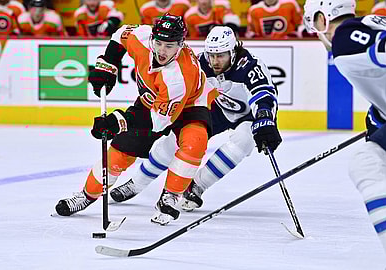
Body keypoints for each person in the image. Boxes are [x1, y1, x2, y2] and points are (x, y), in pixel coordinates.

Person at [55, 14, 218, 225]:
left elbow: (158, 123)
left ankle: (171, 195)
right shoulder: (141, 36)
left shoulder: (178, 76)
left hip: (190, 105)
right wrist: (109, 64)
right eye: (158, 43)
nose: (161, 51)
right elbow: (119, 35)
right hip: (153, 100)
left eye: (169, 46)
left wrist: (119, 121)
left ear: (181, 44)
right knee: (121, 152)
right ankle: (86, 195)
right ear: (152, 37)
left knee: (195, 142)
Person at [110, 25, 282, 213]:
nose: (215, 61)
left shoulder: (250, 65)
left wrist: (265, 119)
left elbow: (264, 95)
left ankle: (196, 187)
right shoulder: (200, 62)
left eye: (221, 56)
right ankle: (136, 183)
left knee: (244, 140)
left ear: (233, 52)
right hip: (217, 108)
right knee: (174, 142)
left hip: (249, 115)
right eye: (212, 55)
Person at [304, 0, 386, 254]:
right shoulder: (363, 25)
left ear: (322, 18)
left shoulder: (345, 38)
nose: (317, 35)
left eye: (314, 25)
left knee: (366, 162)